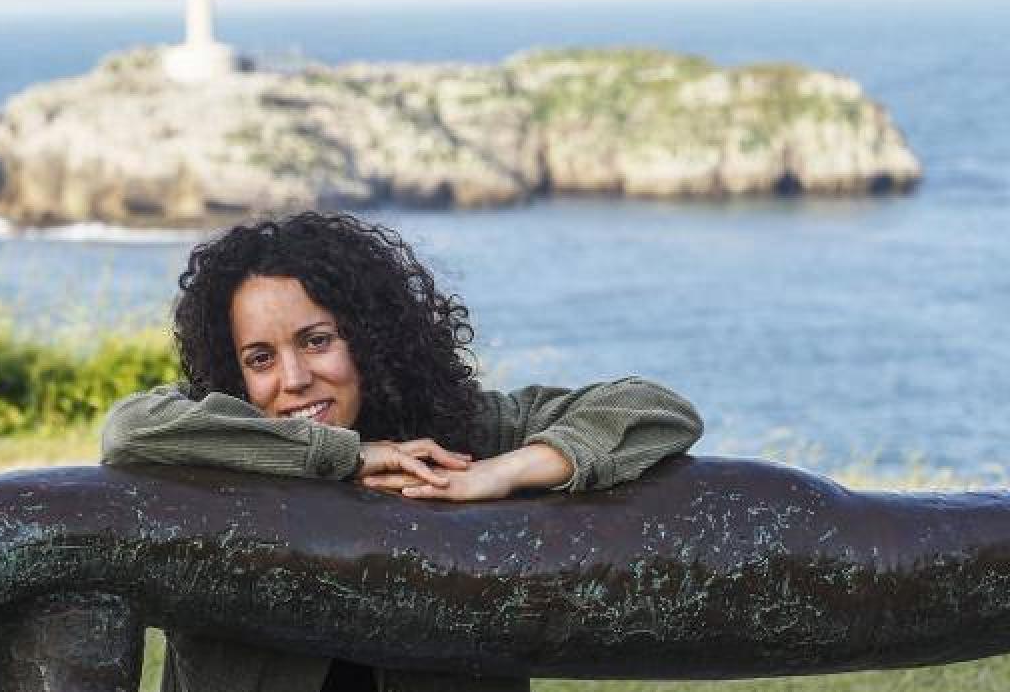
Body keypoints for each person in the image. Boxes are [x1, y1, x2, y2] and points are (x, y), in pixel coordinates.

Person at [100, 211, 704, 692]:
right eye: (260, 357)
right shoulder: (217, 439)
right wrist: (348, 456)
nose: (292, 379)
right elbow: (128, 430)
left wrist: (499, 473)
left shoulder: (461, 435)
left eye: (317, 341)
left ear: (372, 336)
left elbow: (656, 409)